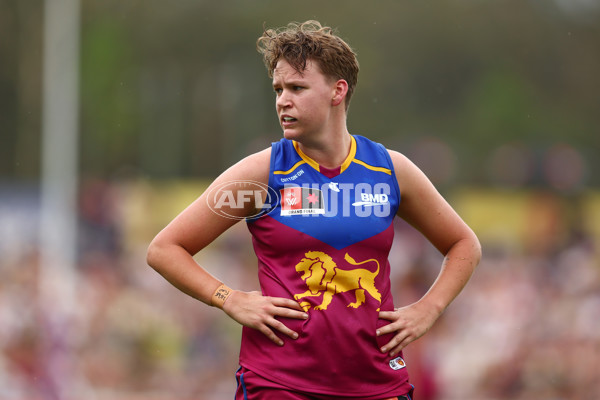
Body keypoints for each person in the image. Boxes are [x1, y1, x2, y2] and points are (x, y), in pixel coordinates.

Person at [146, 20, 481, 400]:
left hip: (377, 385)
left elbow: (463, 244)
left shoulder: (390, 170)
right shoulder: (261, 174)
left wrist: (429, 308)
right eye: (278, 89)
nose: (282, 100)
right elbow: (165, 249)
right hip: (279, 383)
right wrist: (229, 298)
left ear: (338, 91)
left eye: (296, 88)